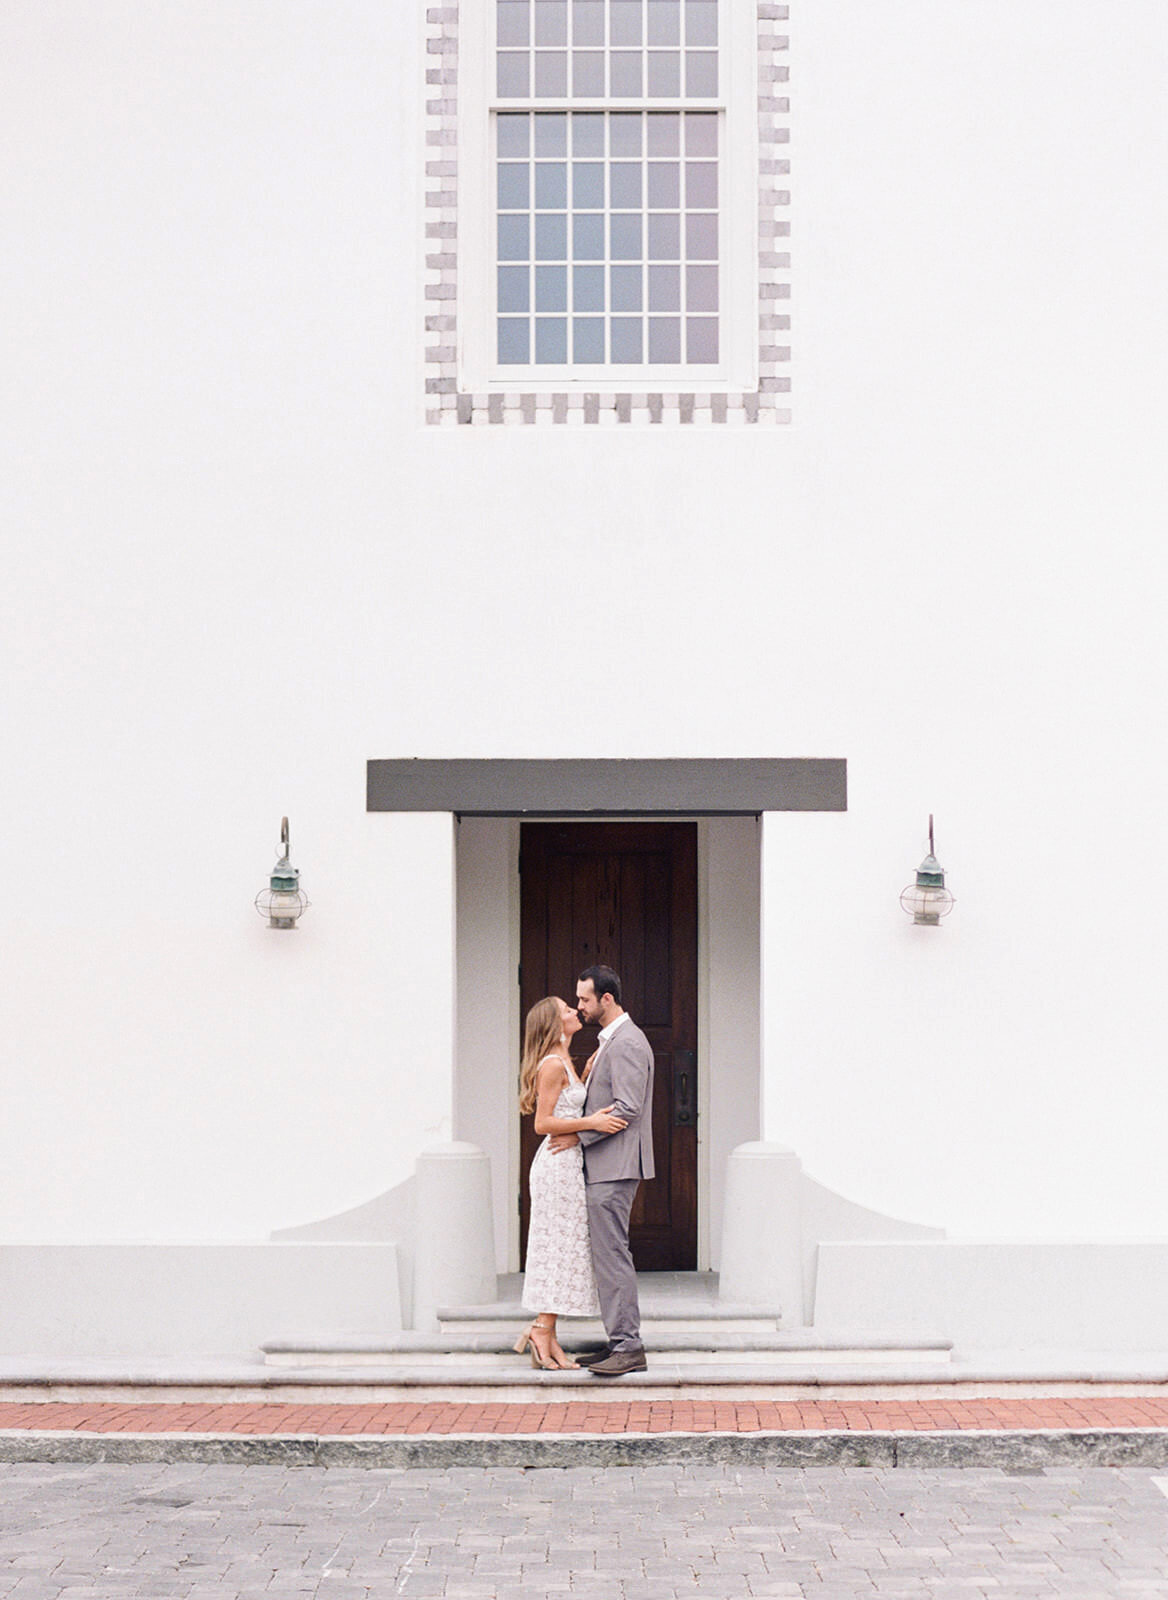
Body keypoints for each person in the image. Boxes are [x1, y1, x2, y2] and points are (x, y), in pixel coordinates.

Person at [547, 964, 655, 1376]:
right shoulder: (611, 1042)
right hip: (607, 1164)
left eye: (585, 1000)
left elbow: (628, 1107)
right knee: (608, 1254)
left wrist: (578, 1136)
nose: (580, 1006)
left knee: (613, 1255)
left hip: (615, 1165)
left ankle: (629, 1345)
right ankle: (619, 1342)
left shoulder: (627, 1042)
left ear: (606, 999)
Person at [515, 995, 628, 1370]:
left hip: (568, 1163)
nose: (574, 1011)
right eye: (566, 1010)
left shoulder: (567, 1060)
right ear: (553, 1024)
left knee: (564, 1249)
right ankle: (541, 1329)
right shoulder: (551, 1065)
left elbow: (571, 1103)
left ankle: (545, 1331)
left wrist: (592, 1067)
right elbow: (542, 1124)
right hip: (555, 1167)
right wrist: (590, 1124)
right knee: (557, 1248)